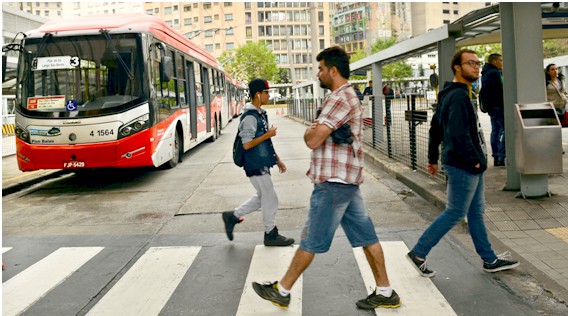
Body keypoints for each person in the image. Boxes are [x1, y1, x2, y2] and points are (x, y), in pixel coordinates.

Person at [252, 46, 401, 310]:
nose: (318, 73)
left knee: (311, 239)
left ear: (333, 70)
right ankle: (386, 291)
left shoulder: (339, 98)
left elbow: (313, 140)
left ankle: (282, 290)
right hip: (346, 180)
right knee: (367, 237)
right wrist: (317, 128)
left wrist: (313, 130)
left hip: (334, 182)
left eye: (320, 68)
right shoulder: (347, 95)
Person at [407, 49, 519, 278]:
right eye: (470, 63)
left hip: (464, 164)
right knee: (455, 213)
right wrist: (476, 162)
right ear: (457, 67)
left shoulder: (450, 93)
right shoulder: (458, 97)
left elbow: (435, 128)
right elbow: (458, 135)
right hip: (463, 166)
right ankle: (418, 252)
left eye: (477, 63)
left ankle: (489, 259)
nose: (476, 67)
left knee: (476, 213)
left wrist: (431, 158)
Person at [222, 78, 294, 247]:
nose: (269, 95)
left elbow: (265, 143)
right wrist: (267, 135)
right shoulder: (249, 117)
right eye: (266, 92)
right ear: (258, 94)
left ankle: (232, 216)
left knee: (263, 197)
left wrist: (278, 159)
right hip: (254, 164)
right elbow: (247, 144)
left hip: (262, 162)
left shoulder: (261, 114)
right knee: (271, 197)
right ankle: (270, 234)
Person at [480, 53, 505, 166]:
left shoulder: (485, 73)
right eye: (500, 60)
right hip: (498, 106)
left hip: (492, 107)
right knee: (505, 130)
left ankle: (496, 155)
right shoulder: (494, 73)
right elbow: (500, 90)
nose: (502, 63)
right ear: (495, 61)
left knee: (495, 130)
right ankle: (501, 155)